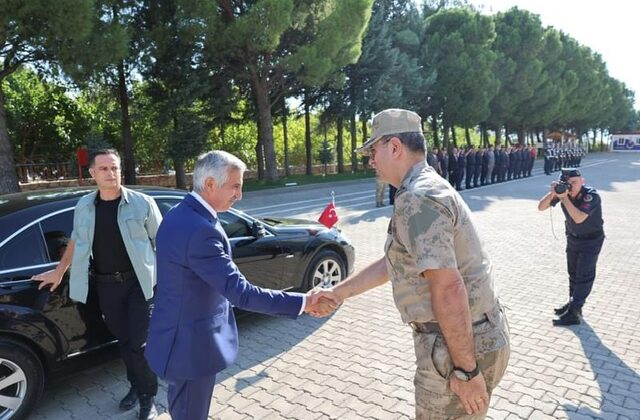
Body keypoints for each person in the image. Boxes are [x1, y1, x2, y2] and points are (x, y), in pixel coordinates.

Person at [319, 109, 510, 419]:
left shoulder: (417, 197)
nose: (370, 160)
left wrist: (466, 372)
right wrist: (340, 292)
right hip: (474, 335)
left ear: (394, 147)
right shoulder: (424, 186)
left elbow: (448, 287)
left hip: (457, 349)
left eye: (373, 150)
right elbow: (396, 261)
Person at [144, 150, 336, 420]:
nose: (240, 195)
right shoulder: (199, 229)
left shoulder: (182, 213)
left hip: (178, 337)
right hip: (190, 349)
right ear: (210, 184)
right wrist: (303, 301)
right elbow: (242, 294)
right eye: (235, 186)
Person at [33, 149, 162, 419]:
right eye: (104, 169)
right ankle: (136, 386)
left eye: (114, 168)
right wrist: (59, 271)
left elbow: (162, 244)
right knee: (124, 342)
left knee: (140, 344)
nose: (111, 173)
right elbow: (77, 241)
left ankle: (148, 396)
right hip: (107, 286)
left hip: (140, 285)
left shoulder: (143, 203)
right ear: (92, 173)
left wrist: (171, 284)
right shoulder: (84, 206)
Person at [537, 168, 605, 326]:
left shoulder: (591, 196)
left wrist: (563, 198)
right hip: (573, 238)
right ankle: (573, 304)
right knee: (573, 274)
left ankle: (574, 313)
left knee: (584, 276)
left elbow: (579, 218)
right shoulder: (563, 193)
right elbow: (541, 207)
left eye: (574, 182)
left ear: (582, 181)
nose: (571, 186)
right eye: (567, 183)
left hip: (591, 241)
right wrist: (553, 193)